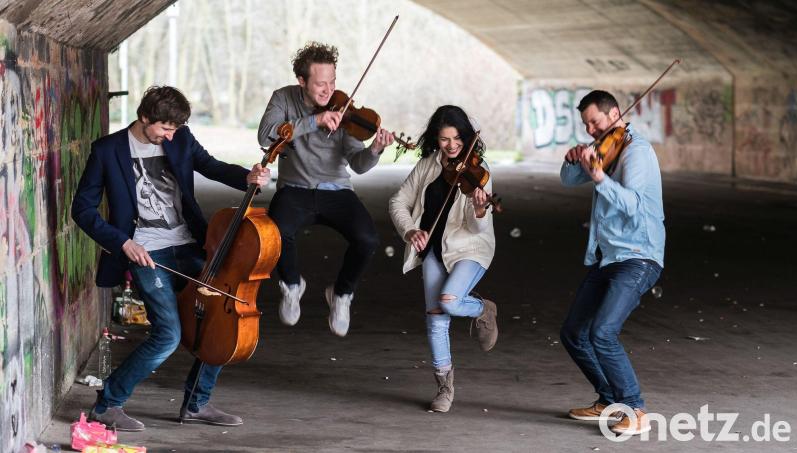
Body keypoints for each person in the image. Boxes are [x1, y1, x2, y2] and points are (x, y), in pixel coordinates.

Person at [72, 86, 270, 431]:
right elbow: (82, 209)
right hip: (147, 252)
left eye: (175, 130)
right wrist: (123, 244)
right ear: (145, 117)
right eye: (165, 129)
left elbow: (209, 165)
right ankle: (107, 404)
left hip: (188, 243)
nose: (170, 136)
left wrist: (247, 178)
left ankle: (196, 404)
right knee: (168, 335)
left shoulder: (179, 137)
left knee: (222, 320)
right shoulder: (107, 151)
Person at [257, 42, 393, 336]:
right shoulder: (283, 98)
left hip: (337, 189)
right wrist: (314, 121)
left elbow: (358, 164)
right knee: (276, 231)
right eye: (320, 84)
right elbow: (266, 134)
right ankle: (293, 285)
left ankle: (342, 294)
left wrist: (375, 150)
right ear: (302, 81)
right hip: (295, 188)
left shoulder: (344, 109)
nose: (328, 91)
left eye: (332, 82)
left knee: (367, 239)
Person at [558, 90, 665, 435]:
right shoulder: (605, 149)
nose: (590, 129)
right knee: (573, 333)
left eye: (596, 121)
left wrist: (600, 177)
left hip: (638, 257)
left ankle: (635, 409)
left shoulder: (637, 152)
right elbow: (568, 179)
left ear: (615, 113)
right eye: (586, 124)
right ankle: (608, 399)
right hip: (608, 257)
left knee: (602, 332)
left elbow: (633, 205)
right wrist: (576, 160)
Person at [388, 105, 498, 413]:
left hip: (470, 248)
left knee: (449, 301)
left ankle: (482, 309)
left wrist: (479, 209)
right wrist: (411, 231)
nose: (451, 146)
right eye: (444, 139)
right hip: (434, 250)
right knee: (436, 319)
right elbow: (398, 201)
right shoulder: (427, 166)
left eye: (457, 139)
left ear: (466, 136)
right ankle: (444, 388)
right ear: (436, 139)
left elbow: (478, 227)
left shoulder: (479, 172)